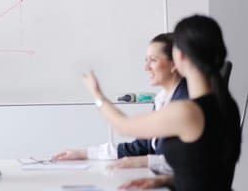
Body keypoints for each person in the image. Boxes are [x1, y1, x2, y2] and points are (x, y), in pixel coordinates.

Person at [83, 15, 243, 191]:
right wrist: (166, 181)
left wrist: (97, 95)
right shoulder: (225, 103)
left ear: (179, 57)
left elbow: (123, 126)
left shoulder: (187, 111)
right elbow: (206, 171)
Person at [53, 33, 188, 174]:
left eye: (153, 60)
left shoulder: (185, 100)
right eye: (146, 60)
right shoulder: (162, 99)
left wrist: (97, 95)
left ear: (174, 64)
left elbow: (190, 160)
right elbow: (139, 147)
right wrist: (84, 153)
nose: (146, 67)